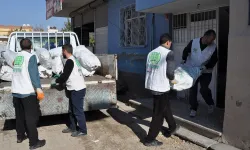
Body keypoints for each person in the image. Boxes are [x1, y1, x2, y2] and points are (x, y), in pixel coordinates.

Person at [144, 33, 179, 147]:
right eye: (170, 43)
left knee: (165, 107)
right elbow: (170, 72)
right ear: (168, 42)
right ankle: (149, 139)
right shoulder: (169, 53)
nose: (170, 45)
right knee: (158, 114)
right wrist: (173, 79)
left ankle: (172, 127)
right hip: (161, 86)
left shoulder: (151, 53)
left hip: (152, 84)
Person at [11, 38, 46, 149]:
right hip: (27, 91)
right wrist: (38, 88)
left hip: (16, 91)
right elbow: (33, 74)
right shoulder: (31, 57)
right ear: (31, 46)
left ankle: (20, 136)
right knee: (31, 117)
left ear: (21, 47)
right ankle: (34, 142)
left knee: (20, 116)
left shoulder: (17, 57)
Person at [51, 44, 87, 137]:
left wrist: (56, 81)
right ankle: (72, 127)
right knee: (71, 110)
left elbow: (65, 76)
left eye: (62, 51)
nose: (62, 53)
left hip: (77, 89)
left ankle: (83, 130)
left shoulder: (70, 61)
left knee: (78, 111)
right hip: (74, 88)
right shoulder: (74, 60)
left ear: (65, 51)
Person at [182, 29, 218, 117]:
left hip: (206, 71)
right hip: (193, 70)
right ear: (205, 36)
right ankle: (193, 108)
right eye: (211, 39)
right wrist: (184, 59)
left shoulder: (213, 47)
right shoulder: (194, 42)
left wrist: (206, 66)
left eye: (213, 40)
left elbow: (214, 59)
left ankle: (210, 103)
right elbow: (186, 50)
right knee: (192, 89)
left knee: (204, 89)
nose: (212, 41)